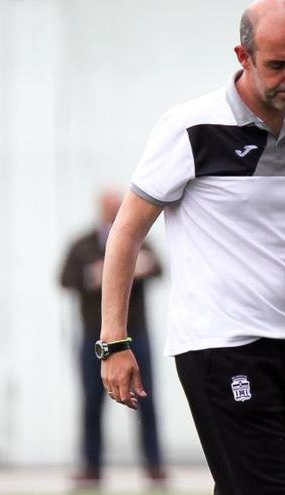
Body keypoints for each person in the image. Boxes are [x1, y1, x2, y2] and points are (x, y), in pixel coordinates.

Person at [98, 1, 285, 493]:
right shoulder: (190, 127)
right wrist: (115, 341)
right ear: (244, 55)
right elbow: (126, 232)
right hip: (220, 346)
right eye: (278, 64)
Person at [59, 189, 166, 488]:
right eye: (110, 206)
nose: (116, 210)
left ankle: (154, 464)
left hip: (136, 333)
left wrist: (136, 267)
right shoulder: (82, 244)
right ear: (100, 209)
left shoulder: (141, 240)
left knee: (147, 397)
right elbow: (65, 278)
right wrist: (92, 275)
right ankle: (91, 466)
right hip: (95, 335)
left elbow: (158, 267)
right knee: (92, 400)